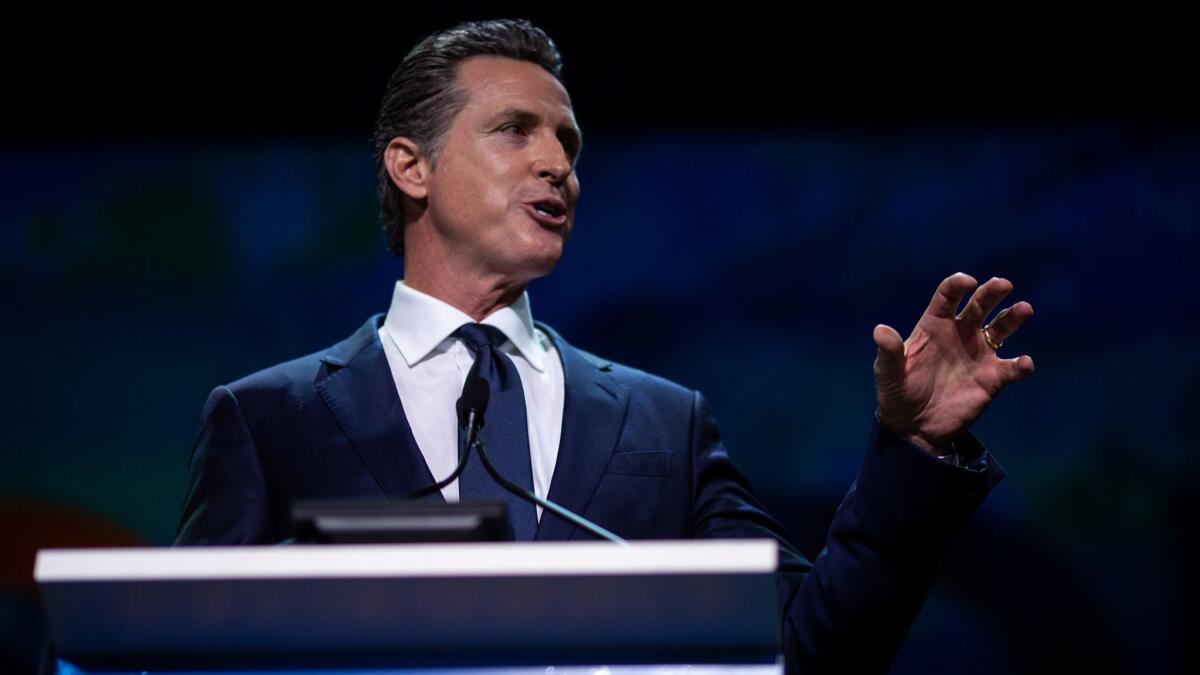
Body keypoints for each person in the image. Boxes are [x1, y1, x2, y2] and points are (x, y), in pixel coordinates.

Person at [174, 18, 1035, 673]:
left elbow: (811, 647)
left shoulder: (664, 420)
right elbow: (181, 652)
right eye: (516, 130)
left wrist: (915, 448)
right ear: (412, 167)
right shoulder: (267, 417)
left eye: (569, 144)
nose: (559, 164)